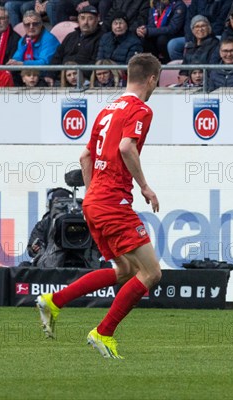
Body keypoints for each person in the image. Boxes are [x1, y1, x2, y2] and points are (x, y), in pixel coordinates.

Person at [36, 53, 163, 359]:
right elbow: (126, 147)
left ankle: (54, 301)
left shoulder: (107, 110)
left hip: (94, 201)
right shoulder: (141, 109)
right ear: (151, 80)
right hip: (112, 202)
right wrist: (144, 186)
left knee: (124, 269)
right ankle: (103, 332)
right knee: (152, 273)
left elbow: (85, 157)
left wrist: (93, 194)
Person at [45, 5, 102, 86]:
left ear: (97, 20)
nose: (85, 22)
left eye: (90, 18)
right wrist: (50, 75)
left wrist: (76, 74)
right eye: (82, 18)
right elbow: (57, 57)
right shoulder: (71, 36)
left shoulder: (101, 37)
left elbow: (96, 62)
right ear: (78, 20)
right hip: (63, 78)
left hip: (86, 80)